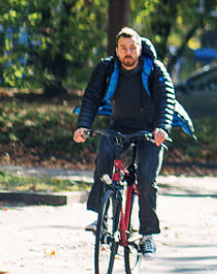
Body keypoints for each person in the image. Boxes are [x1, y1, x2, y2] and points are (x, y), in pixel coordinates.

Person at [74, 27, 177, 257]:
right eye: (123, 48)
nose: (128, 52)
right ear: (117, 50)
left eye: (132, 48)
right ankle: (101, 219)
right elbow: (91, 96)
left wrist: (162, 127)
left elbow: (167, 99)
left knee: (146, 178)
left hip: (151, 131)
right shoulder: (107, 68)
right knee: (103, 159)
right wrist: (83, 125)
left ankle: (147, 235)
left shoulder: (154, 69)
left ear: (140, 48)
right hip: (119, 127)